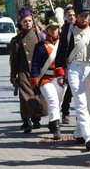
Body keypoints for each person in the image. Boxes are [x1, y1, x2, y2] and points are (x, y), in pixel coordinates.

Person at [55, 0, 90, 151]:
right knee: (80, 102)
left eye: (87, 15)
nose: (84, 18)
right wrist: (60, 73)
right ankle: (88, 136)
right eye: (81, 15)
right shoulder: (68, 30)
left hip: (89, 67)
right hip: (74, 68)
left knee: (88, 103)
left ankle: (79, 131)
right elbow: (61, 52)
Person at [9, 7, 47, 133]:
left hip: (37, 71)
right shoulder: (16, 41)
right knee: (25, 97)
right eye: (25, 21)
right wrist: (13, 77)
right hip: (23, 72)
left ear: (33, 21)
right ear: (20, 22)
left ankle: (36, 119)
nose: (27, 23)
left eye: (29, 21)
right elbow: (13, 60)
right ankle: (26, 121)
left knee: (37, 96)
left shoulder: (40, 37)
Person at [29, 8, 66, 139]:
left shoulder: (63, 43)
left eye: (55, 28)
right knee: (52, 100)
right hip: (45, 78)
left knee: (58, 102)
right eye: (50, 29)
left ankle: (52, 121)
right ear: (47, 30)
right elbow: (34, 64)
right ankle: (56, 127)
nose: (53, 31)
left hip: (60, 77)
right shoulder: (40, 46)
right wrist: (34, 79)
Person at [60, 4, 75, 125]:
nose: (72, 17)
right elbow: (62, 49)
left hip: (82, 63)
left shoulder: (80, 27)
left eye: (74, 15)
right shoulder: (64, 29)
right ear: (65, 16)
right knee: (68, 92)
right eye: (69, 15)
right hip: (68, 64)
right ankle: (65, 113)